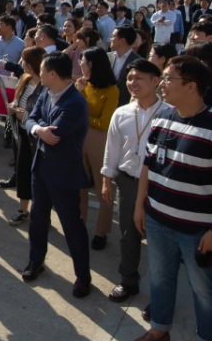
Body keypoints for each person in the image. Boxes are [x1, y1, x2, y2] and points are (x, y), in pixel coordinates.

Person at [130, 56, 212, 341]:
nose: (161, 84)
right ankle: (159, 330)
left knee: (204, 291)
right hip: (158, 219)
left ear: (191, 87)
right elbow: (149, 166)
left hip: (198, 229)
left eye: (168, 79)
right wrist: (141, 206)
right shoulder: (163, 118)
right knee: (161, 279)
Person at [21, 52, 93, 297]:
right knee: (38, 219)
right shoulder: (46, 93)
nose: (38, 74)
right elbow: (30, 119)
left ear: (52, 74)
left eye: (41, 70)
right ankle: (35, 261)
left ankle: (83, 276)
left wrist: (39, 128)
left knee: (72, 226)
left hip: (64, 174)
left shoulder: (74, 102)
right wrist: (39, 128)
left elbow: (57, 134)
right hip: (41, 168)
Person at [100, 58, 165, 303]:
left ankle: (160, 295)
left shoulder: (168, 113)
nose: (132, 83)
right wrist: (107, 179)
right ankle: (128, 281)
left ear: (155, 81)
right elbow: (112, 148)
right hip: (128, 182)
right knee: (128, 234)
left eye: (139, 78)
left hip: (158, 185)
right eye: (129, 78)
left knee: (160, 239)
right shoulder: (122, 112)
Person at [77, 46, 119, 249]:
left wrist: (83, 110)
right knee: (79, 185)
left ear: (91, 64)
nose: (79, 64)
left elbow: (104, 122)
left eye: (82, 61)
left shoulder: (112, 90)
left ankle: (101, 231)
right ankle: (79, 222)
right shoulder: (83, 85)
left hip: (100, 140)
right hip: (80, 137)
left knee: (104, 188)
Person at [1, 46, 46, 226]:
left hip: (37, 137)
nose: (22, 64)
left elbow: (46, 114)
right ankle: (23, 210)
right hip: (21, 133)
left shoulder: (47, 86)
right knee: (23, 172)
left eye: (24, 61)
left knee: (39, 176)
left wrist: (24, 116)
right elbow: (17, 99)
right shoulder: (25, 80)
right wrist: (13, 106)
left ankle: (42, 214)